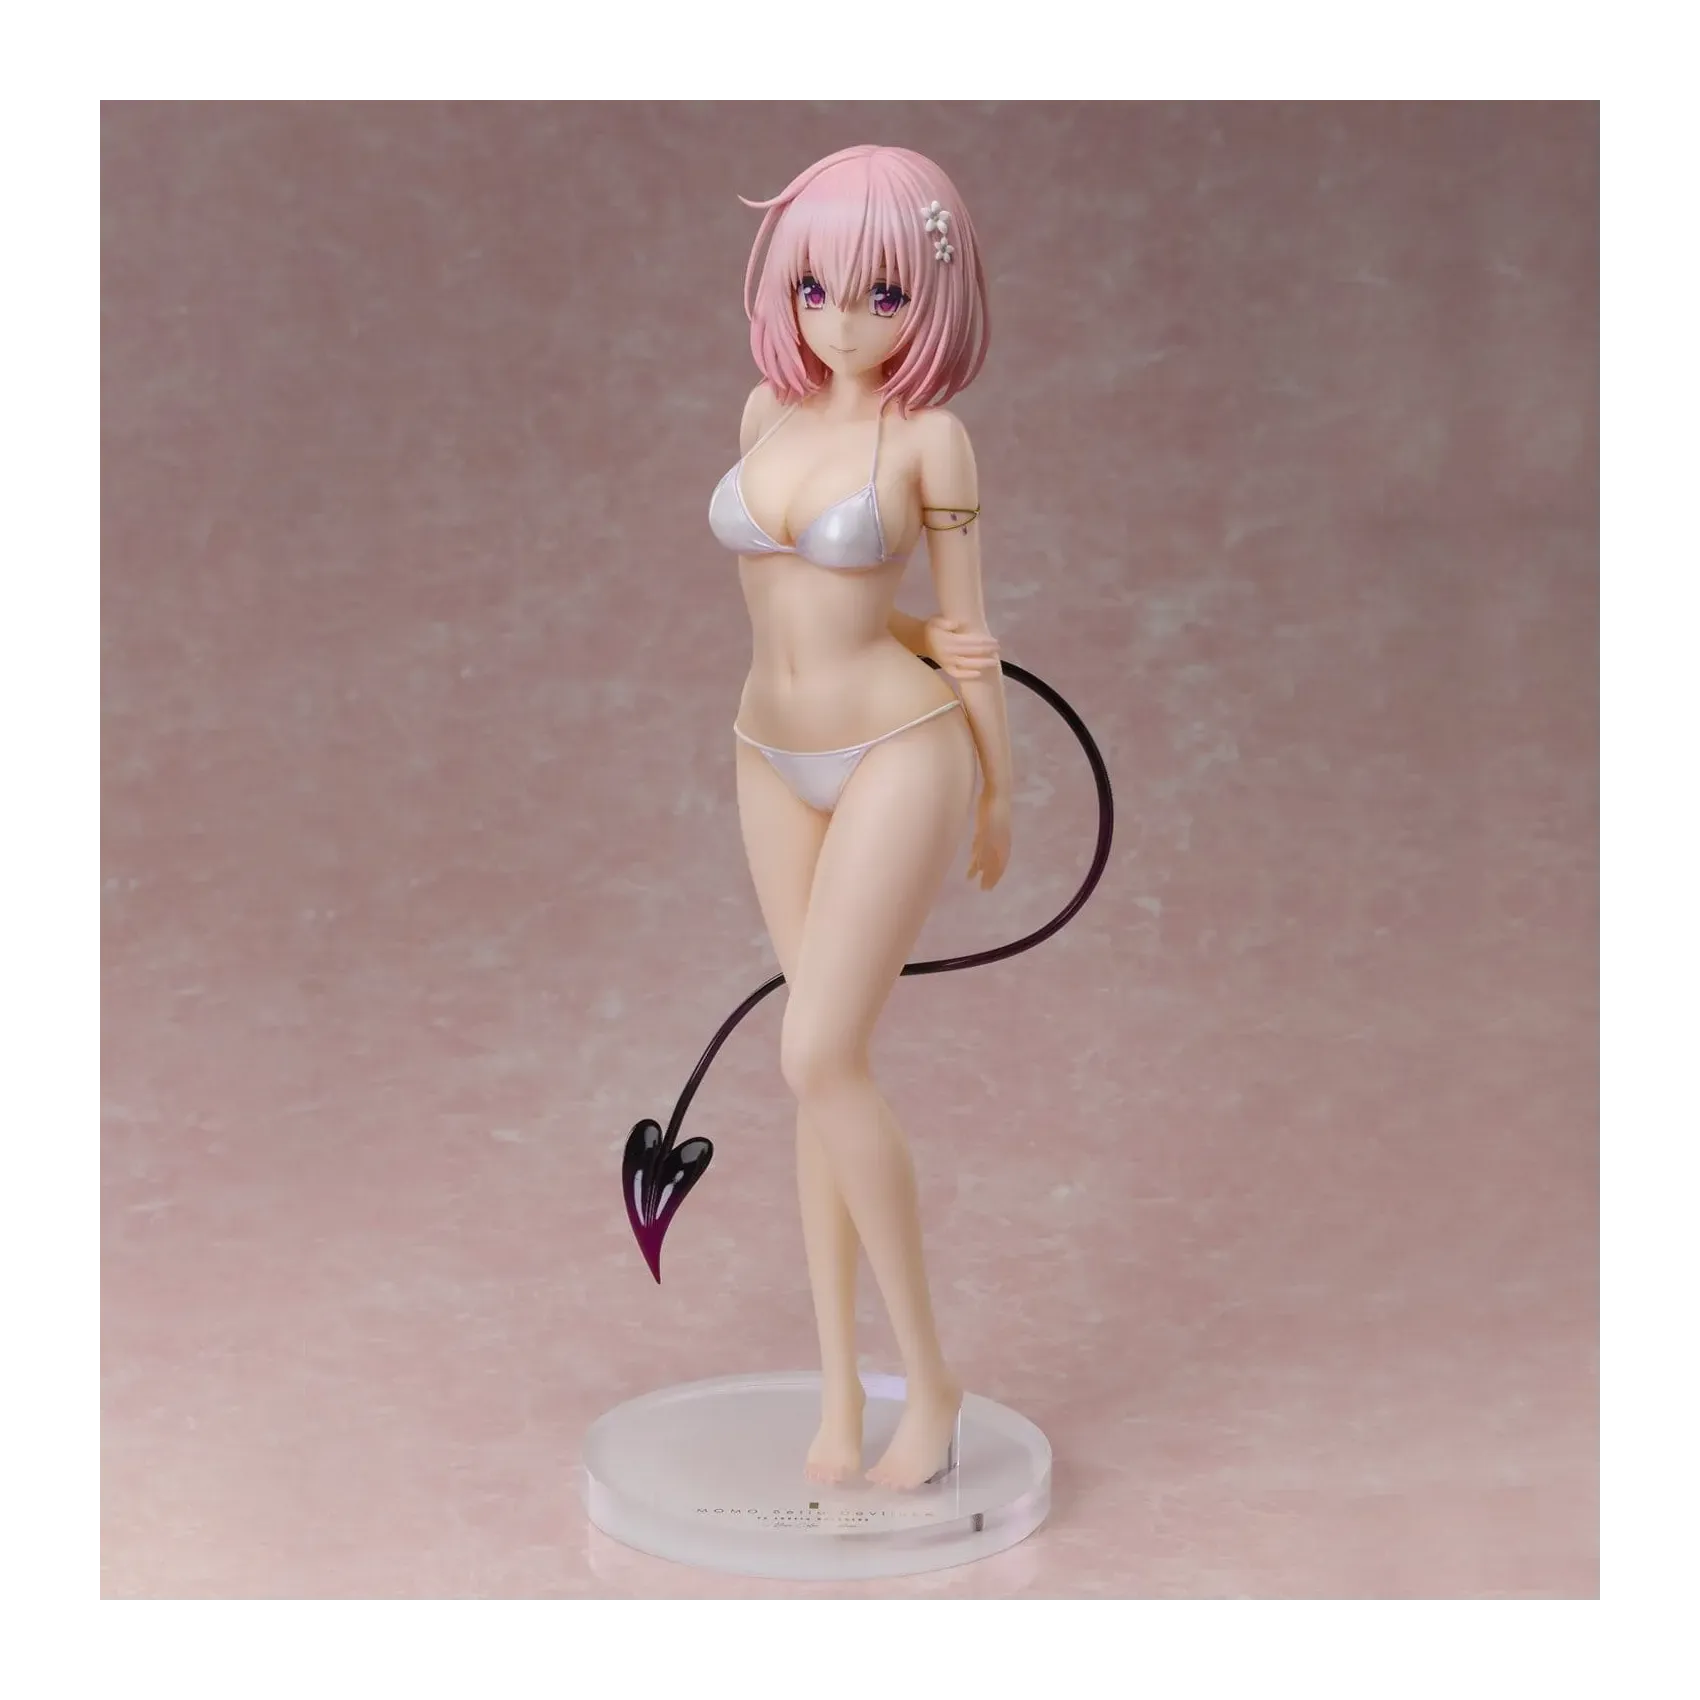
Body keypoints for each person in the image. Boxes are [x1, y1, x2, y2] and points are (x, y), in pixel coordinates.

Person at [707, 144, 1013, 1490]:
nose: (843, 320)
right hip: (765, 747)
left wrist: (1000, 783)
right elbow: (815, 604)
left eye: (883, 295)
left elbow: (966, 629)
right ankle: (840, 1395)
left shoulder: (931, 438)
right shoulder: (763, 415)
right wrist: (893, 629)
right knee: (811, 1069)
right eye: (816, 285)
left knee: (820, 1051)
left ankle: (930, 1382)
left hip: (898, 750)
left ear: (931, 298)